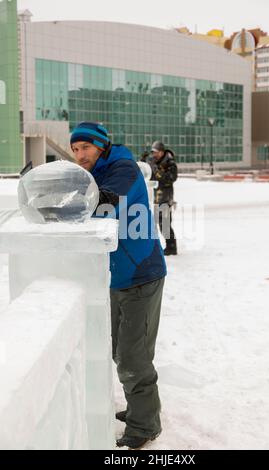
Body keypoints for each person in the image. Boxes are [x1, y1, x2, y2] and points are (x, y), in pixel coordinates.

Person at [70, 122, 166, 450]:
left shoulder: (121, 167)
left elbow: (107, 201)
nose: (79, 154)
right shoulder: (95, 172)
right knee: (118, 350)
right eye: (75, 149)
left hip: (142, 273)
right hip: (117, 275)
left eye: (85, 147)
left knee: (132, 355)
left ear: (100, 146)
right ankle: (140, 408)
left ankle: (145, 425)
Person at [148, 141, 178, 256]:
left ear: (161, 152)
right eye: (153, 152)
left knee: (165, 223)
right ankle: (165, 246)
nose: (154, 155)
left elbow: (170, 179)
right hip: (156, 198)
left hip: (165, 197)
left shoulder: (170, 163)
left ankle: (172, 247)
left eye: (156, 152)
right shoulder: (154, 162)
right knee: (156, 224)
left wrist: (157, 171)